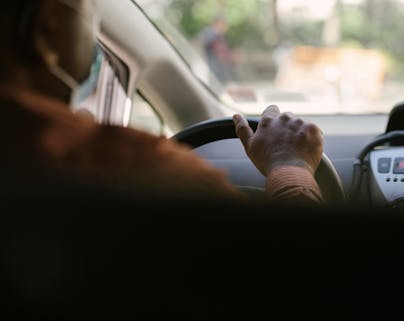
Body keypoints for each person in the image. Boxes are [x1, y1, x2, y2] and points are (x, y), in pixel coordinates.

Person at [0, 0, 324, 205]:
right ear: (47, 27)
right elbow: (302, 270)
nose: (94, 28)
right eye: (90, 9)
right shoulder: (137, 172)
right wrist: (289, 167)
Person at [201, 16, 234, 85]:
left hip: (220, 70)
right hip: (213, 69)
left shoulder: (219, 36)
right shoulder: (210, 33)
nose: (225, 28)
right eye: (223, 25)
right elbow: (207, 41)